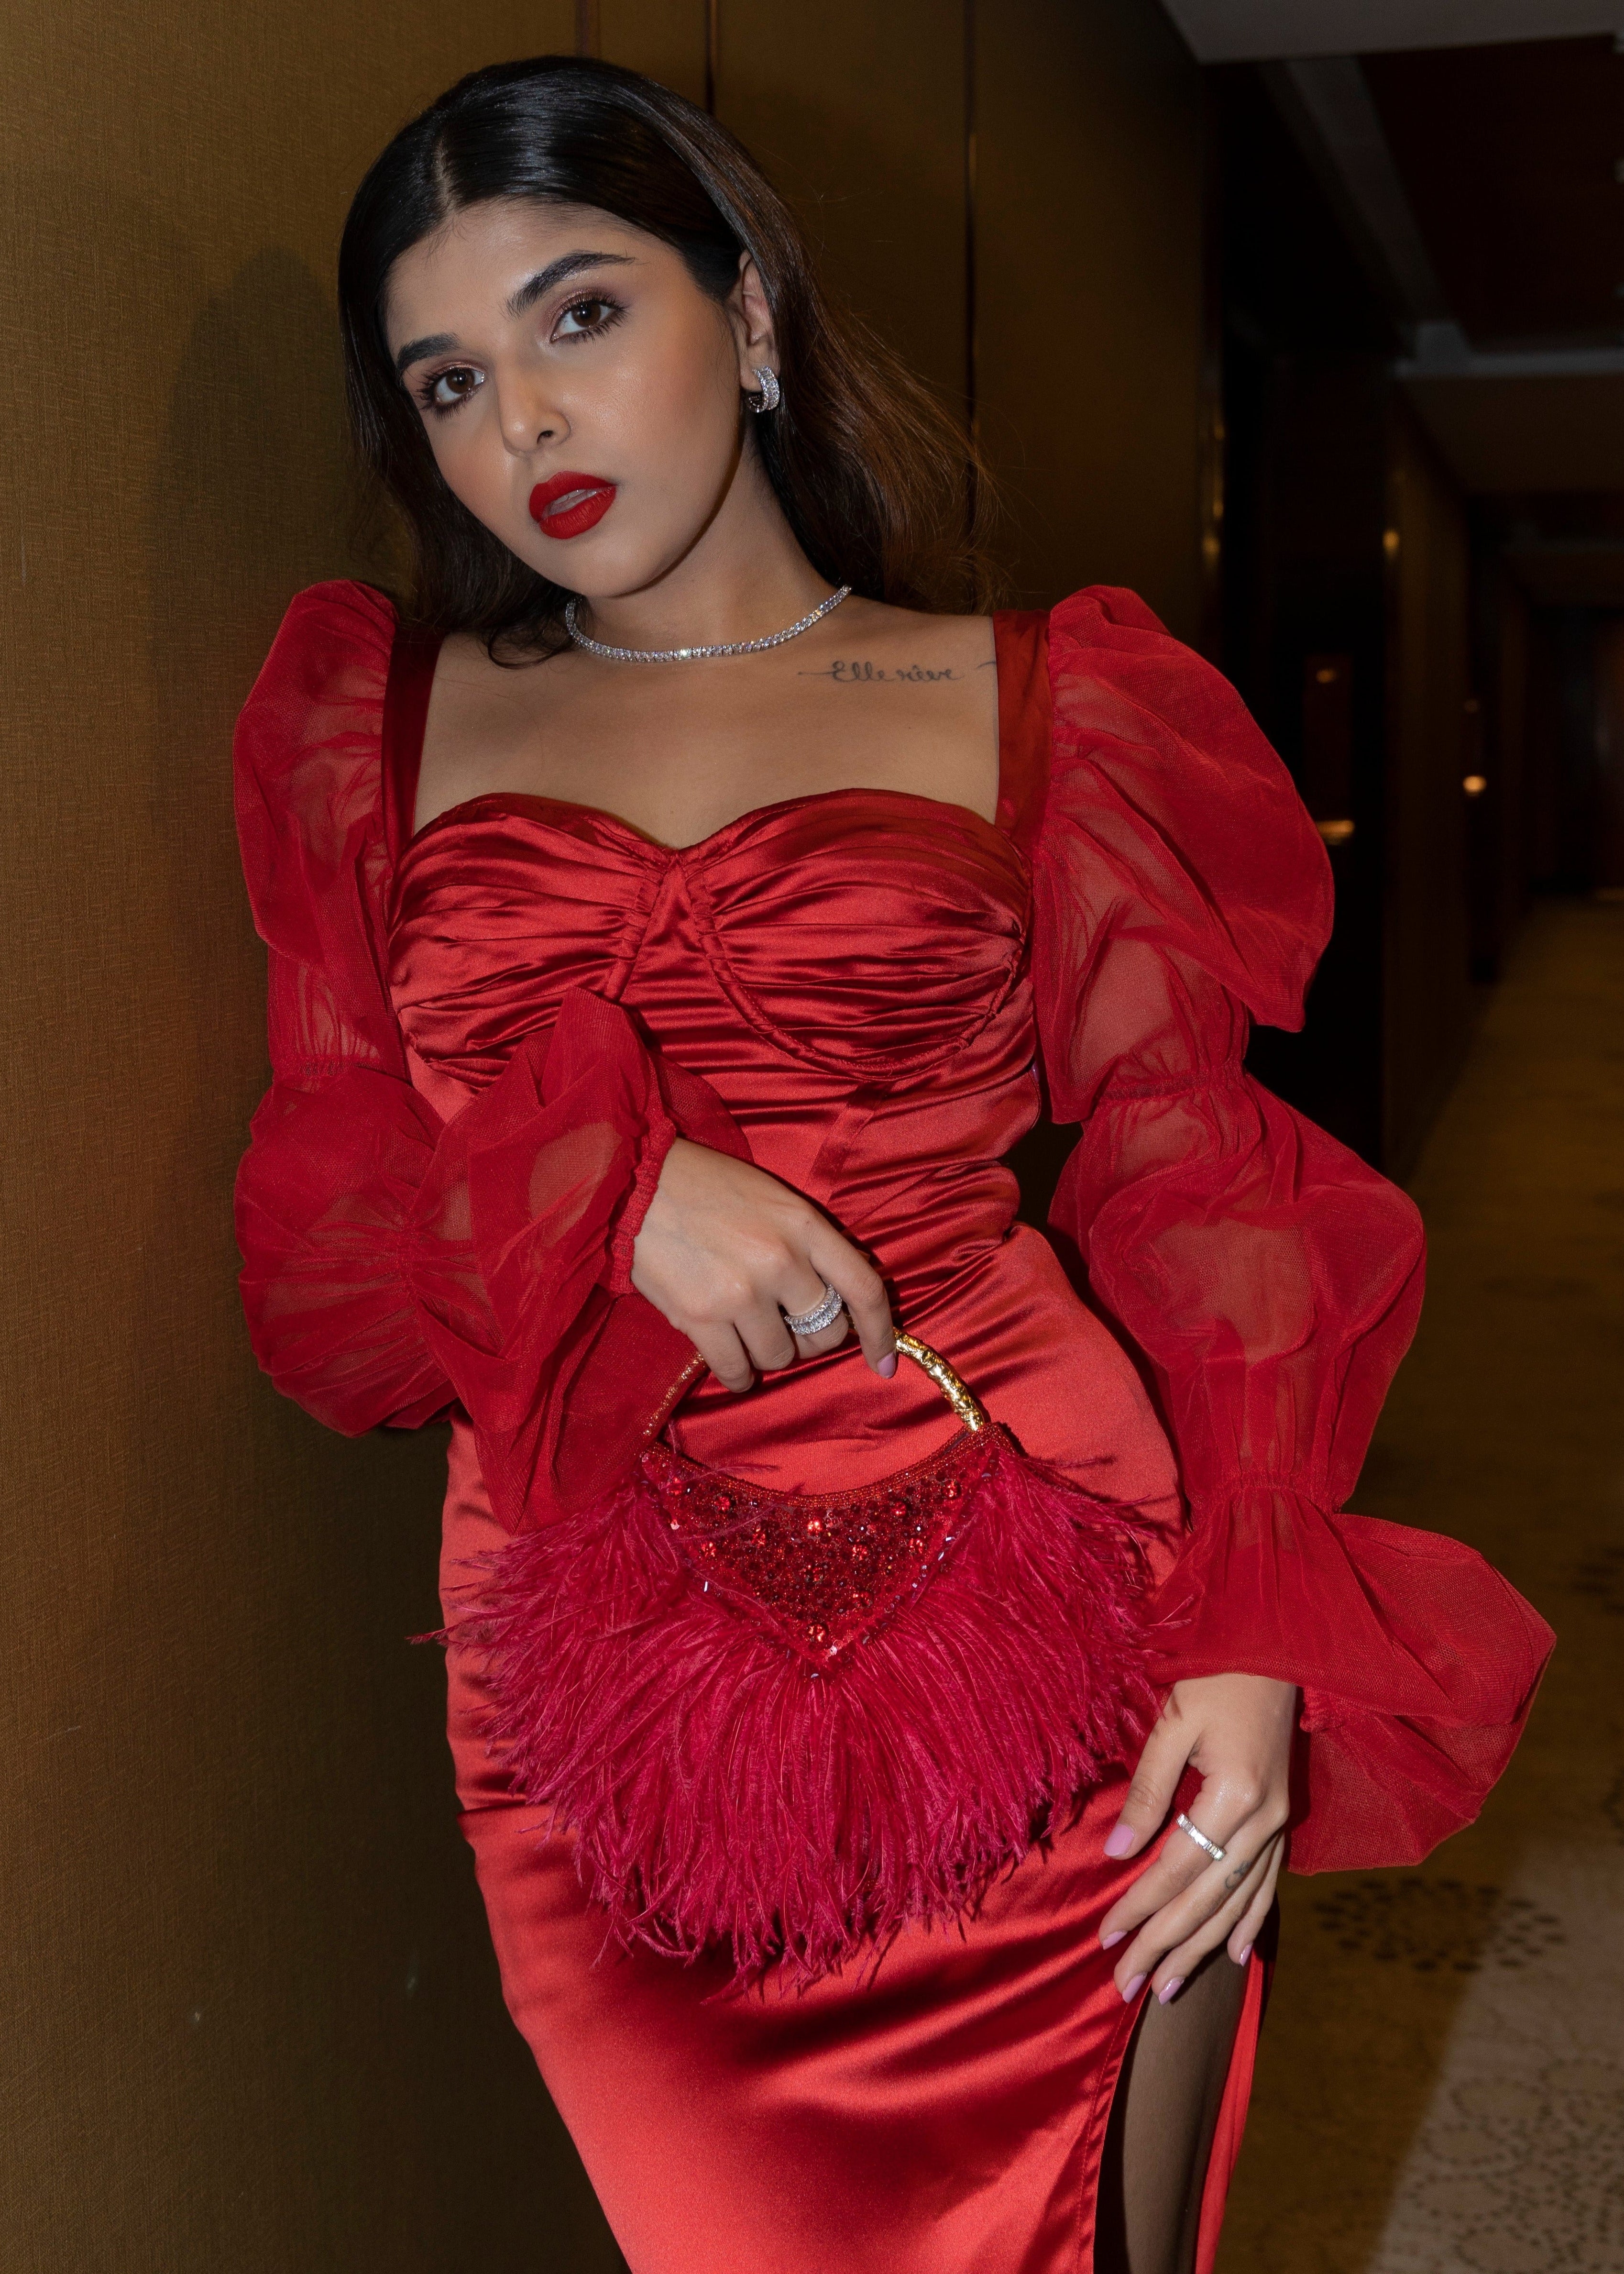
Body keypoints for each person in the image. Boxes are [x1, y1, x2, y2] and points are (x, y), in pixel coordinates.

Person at [230, 55, 1552, 2274]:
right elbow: (326, 1267)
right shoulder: (380, 725)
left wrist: (1246, 1630)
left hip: (1053, 1567)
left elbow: (1196, 1182)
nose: (523, 425)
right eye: (448, 377)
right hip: (587, 1659)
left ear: (746, 316)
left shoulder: (1046, 697)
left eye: (578, 316)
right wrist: (611, 1192)